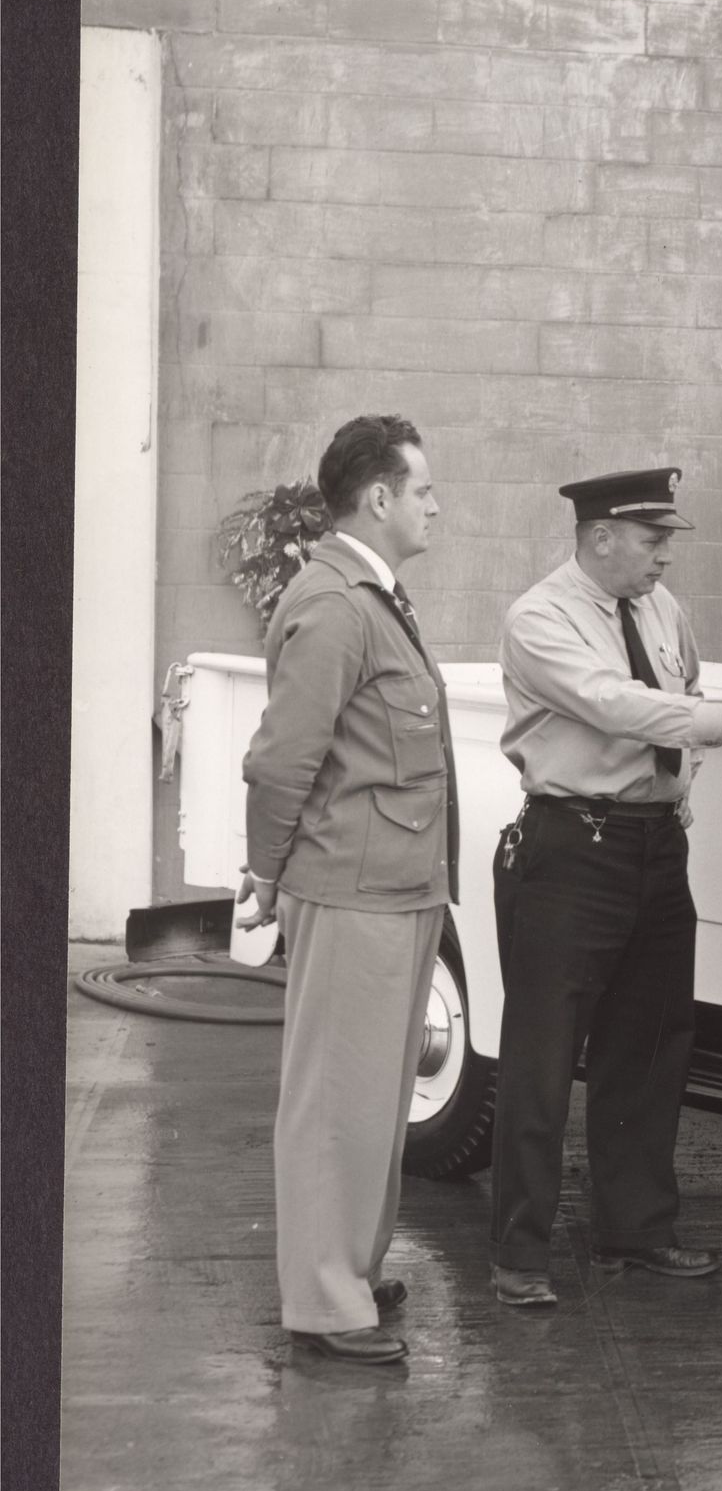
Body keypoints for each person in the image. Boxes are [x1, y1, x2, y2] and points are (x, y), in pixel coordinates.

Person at [488, 467, 722, 1308]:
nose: (665, 555)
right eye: (652, 538)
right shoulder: (541, 618)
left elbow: (684, 691)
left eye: (667, 540)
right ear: (600, 537)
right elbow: (615, 704)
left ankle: (634, 1234)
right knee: (542, 1058)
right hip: (574, 848)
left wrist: (685, 779)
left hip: (653, 846)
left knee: (651, 1047)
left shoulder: (661, 608)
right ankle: (519, 1257)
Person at [237, 414, 457, 1366]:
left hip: (398, 888)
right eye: (423, 490)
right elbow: (282, 760)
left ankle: (352, 1272)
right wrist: (266, 873)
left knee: (374, 1102)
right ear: (378, 498)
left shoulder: (375, 598)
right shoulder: (333, 603)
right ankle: (325, 1304)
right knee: (336, 1105)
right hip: (353, 890)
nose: (434, 506)